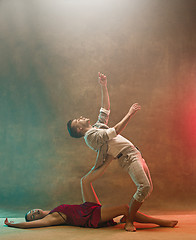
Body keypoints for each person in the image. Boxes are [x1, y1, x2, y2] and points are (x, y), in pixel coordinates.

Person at [67, 72, 153, 231]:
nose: (80, 116)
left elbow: (105, 108)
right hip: (128, 157)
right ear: (79, 129)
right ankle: (129, 222)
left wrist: (103, 86)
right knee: (144, 187)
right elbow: (114, 131)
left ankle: (128, 217)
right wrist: (129, 114)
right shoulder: (91, 137)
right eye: (77, 120)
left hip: (135, 153)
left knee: (148, 189)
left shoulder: (96, 127)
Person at [4, 157, 178, 229]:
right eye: (33, 216)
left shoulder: (51, 210)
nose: (34, 213)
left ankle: (107, 158)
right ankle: (160, 222)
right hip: (89, 217)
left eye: (31, 211)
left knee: (84, 180)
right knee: (125, 208)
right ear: (38, 219)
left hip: (86, 207)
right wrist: (14, 225)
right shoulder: (51, 218)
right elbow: (30, 225)